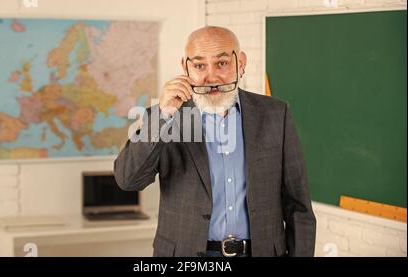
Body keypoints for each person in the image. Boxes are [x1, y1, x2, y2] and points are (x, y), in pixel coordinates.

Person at [114, 26, 316, 257]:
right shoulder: (165, 117)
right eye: (200, 65)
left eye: (222, 63)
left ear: (240, 63)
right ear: (185, 67)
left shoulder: (275, 113)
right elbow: (127, 180)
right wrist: (163, 116)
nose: (211, 76)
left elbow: (298, 206)